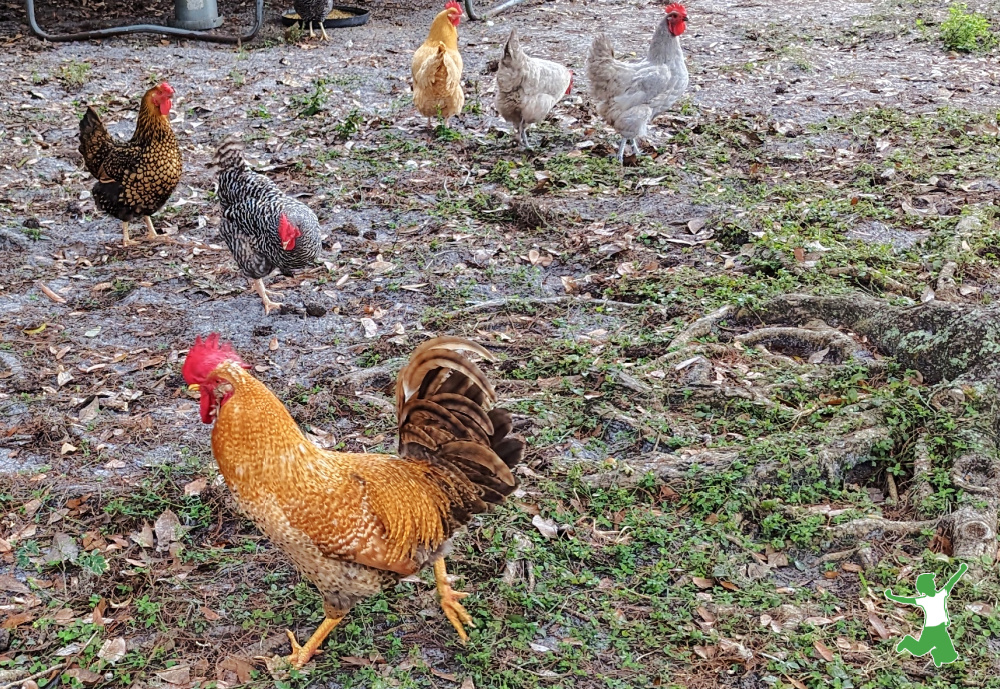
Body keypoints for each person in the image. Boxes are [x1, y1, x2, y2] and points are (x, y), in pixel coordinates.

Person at [884, 562, 968, 667]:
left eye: (932, 583)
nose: (933, 584)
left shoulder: (940, 595)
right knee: (920, 650)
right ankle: (908, 642)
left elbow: (951, 583)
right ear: (925, 587)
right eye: (930, 583)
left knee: (950, 655)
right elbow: (906, 600)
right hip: (931, 630)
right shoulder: (923, 600)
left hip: (941, 628)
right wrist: (891, 596)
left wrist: (961, 571)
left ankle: (937, 654)